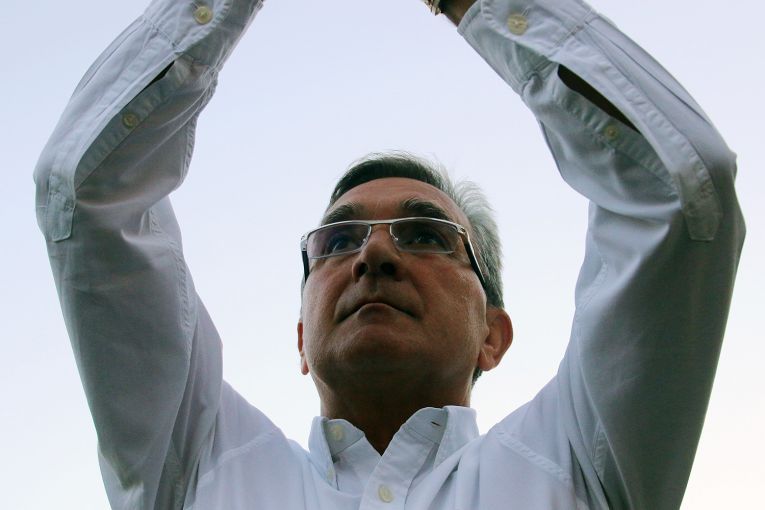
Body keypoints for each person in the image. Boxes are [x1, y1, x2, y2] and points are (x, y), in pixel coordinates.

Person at [34, 0, 744, 508]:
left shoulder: (579, 462)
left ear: (493, 334)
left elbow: (678, 190)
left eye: (426, 235)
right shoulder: (197, 466)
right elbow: (86, 194)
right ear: (302, 337)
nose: (374, 253)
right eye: (338, 241)